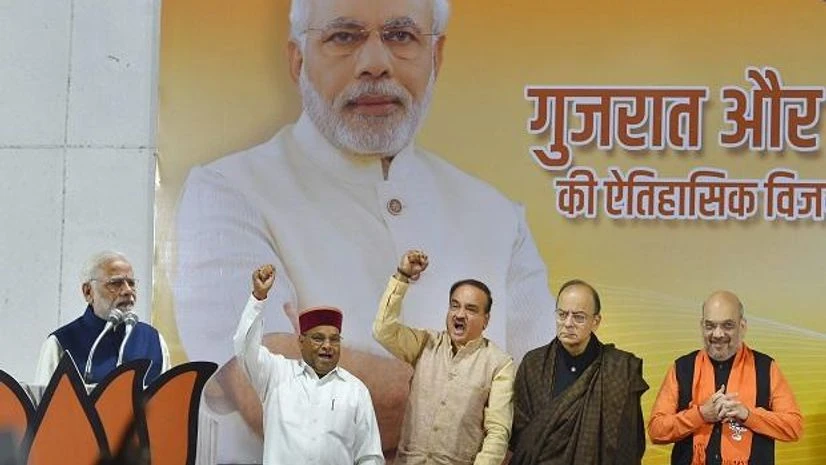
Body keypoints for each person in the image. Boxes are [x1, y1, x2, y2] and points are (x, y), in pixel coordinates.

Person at [172, 0, 554, 460]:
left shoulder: (496, 216)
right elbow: (268, 390)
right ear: (297, 61)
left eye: (401, 36)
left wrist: (318, 363)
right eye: (344, 37)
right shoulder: (229, 192)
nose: (375, 64)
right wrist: (483, 404)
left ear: (436, 57)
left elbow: (546, 411)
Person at [372, 250, 514, 465]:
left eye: (471, 309)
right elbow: (383, 331)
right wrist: (402, 276)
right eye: (454, 305)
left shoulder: (499, 364)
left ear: (486, 320)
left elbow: (497, 432)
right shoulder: (426, 343)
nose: (459, 314)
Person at [234, 264, 383, 464]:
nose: (327, 346)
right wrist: (258, 298)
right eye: (318, 339)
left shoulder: (355, 390)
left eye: (335, 339)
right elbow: (244, 348)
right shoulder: (276, 374)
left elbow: (369, 455)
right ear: (301, 342)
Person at [648, 290, 803, 465]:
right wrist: (700, 414)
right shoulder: (682, 368)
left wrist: (747, 415)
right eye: (710, 326)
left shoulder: (766, 367)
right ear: (702, 326)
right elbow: (656, 430)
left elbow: (793, 426)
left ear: (742, 326)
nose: (718, 334)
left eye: (727, 325)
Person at [509, 279, 648, 465]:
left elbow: (629, 439)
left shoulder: (620, 368)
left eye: (579, 317)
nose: (568, 323)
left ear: (595, 321)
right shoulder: (533, 363)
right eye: (562, 314)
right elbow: (521, 432)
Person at [33, 251, 170, 386]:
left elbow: (167, 399)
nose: (128, 291)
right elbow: (46, 404)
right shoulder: (61, 343)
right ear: (88, 292)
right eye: (116, 283)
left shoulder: (153, 340)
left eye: (131, 283)